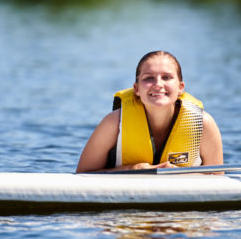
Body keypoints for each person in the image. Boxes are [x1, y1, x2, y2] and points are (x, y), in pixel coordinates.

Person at [76, 51, 223, 173]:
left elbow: (218, 179)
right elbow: (82, 175)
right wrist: (133, 169)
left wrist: (179, 176)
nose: (158, 84)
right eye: (149, 78)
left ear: (180, 87)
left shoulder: (203, 124)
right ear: (137, 89)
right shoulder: (113, 122)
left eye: (166, 77)